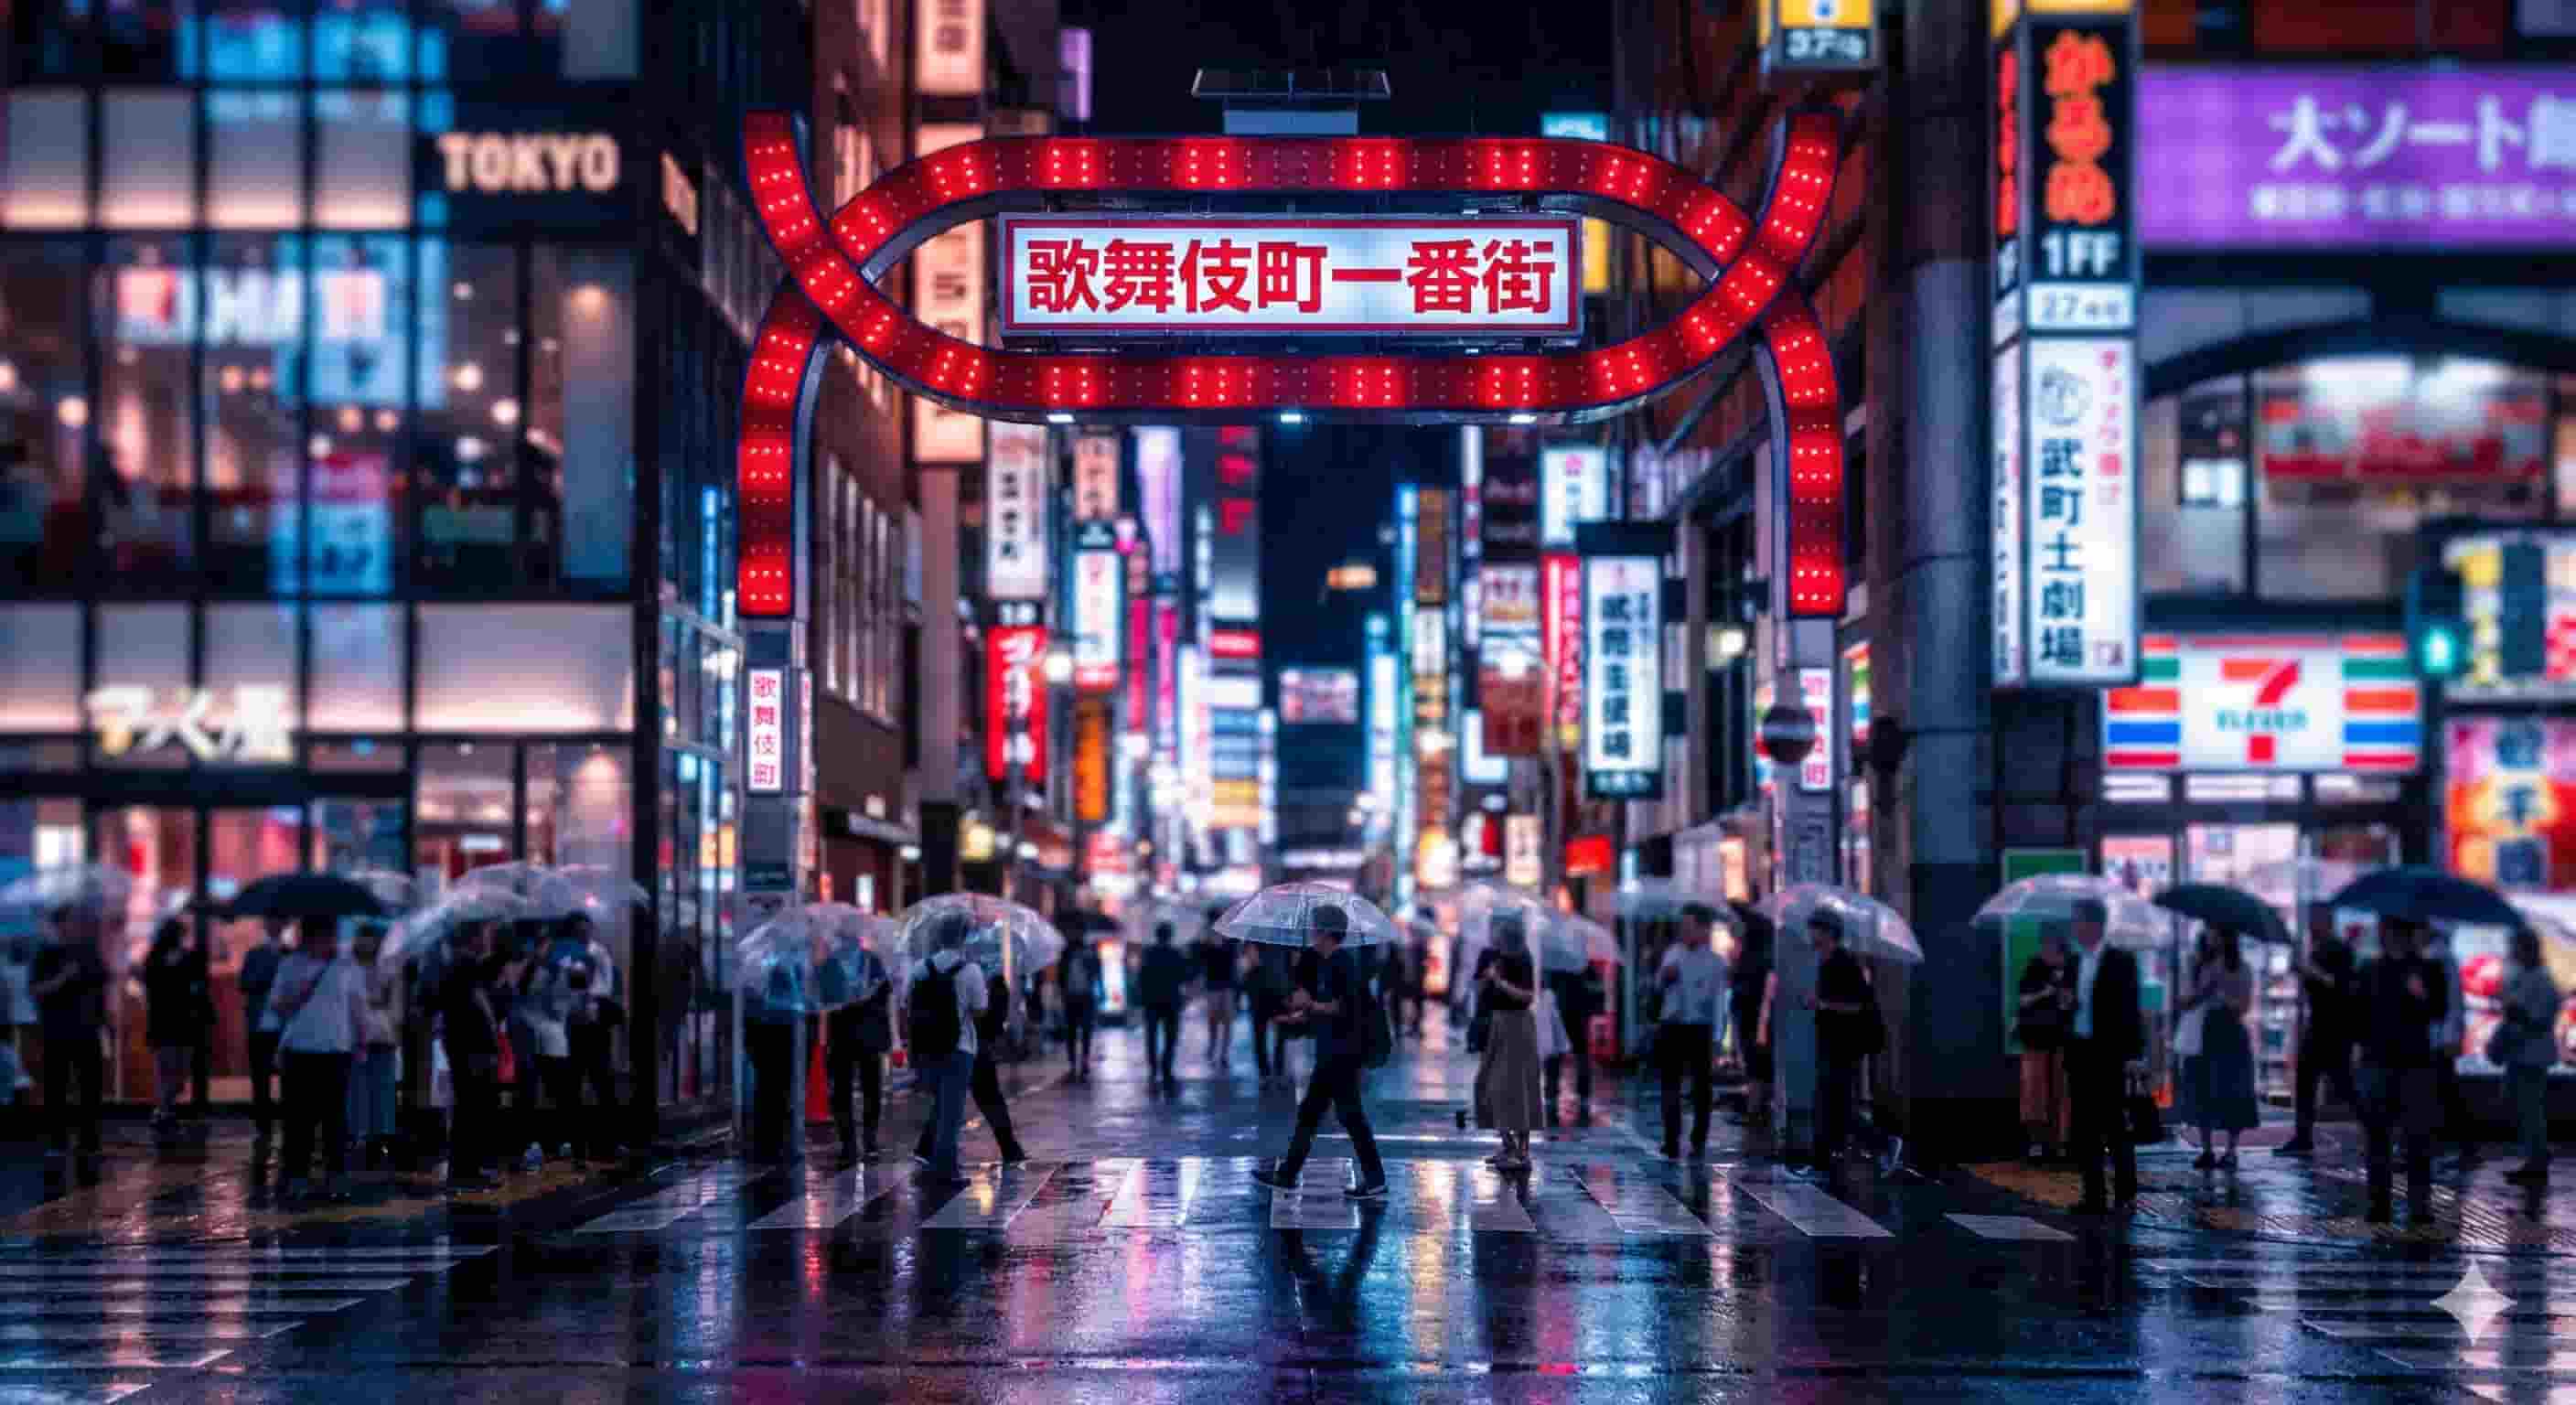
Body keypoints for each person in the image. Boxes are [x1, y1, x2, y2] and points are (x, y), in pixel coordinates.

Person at [1252, 906, 1388, 1200]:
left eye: (1315, 927)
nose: (1312, 932)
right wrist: (1300, 1015)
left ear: (1326, 932)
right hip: (1332, 1049)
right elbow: (1326, 1008)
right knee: (1315, 1113)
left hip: (1342, 1051)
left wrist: (1311, 1006)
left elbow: (1344, 1008)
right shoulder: (1326, 962)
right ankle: (1288, 1175)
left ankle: (1372, 1179)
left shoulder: (1342, 963)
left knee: (1346, 1115)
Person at [263, 916, 368, 1201]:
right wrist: (299, 993)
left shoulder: (347, 966)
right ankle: (297, 1176)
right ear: (310, 937)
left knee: (335, 1118)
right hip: (299, 1049)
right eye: (325, 935)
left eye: (332, 935)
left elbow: (358, 1006)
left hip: (336, 1050)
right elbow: (277, 1006)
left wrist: (361, 1039)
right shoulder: (290, 965)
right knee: (299, 1119)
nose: (331, 941)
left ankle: (336, 1177)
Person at [2357, 917, 2447, 1225]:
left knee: (2418, 1139)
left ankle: (2419, 1206)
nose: (2389, 937)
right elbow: (2358, 1013)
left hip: (2415, 1064)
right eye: (2387, 932)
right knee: (2377, 1138)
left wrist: (2423, 994)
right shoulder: (2370, 969)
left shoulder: (2429, 969)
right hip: (2377, 1061)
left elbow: (2440, 1011)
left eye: (2396, 932)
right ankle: (2378, 1203)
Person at [2065, 897, 2145, 1215]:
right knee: (2085, 1128)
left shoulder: (2120, 961)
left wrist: (2133, 1054)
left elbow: (2130, 1011)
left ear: (2094, 925)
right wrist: (2066, 1003)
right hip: (2081, 1051)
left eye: (2078, 920)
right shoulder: (2073, 962)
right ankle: (2093, 1195)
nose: (2073, 926)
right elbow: (2069, 1008)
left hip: (2110, 1054)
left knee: (2115, 1126)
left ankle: (2126, 1195)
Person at [914, 958, 1029, 1167]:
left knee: (947, 1098)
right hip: (973, 1045)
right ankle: (1009, 1149)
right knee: (989, 1099)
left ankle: (925, 1147)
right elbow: (989, 1015)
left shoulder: (932, 966)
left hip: (943, 1043)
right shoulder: (980, 973)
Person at [907, 913, 986, 1187]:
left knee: (940, 1105)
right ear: (963, 938)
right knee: (951, 1111)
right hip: (960, 1047)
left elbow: (907, 1006)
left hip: (927, 1048)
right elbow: (979, 1010)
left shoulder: (920, 968)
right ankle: (945, 1170)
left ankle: (931, 1158)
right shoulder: (971, 971)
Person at [2277, 913, 2361, 1158]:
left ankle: (2374, 1127)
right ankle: (2303, 1136)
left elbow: (2339, 986)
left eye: (2315, 922)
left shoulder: (2340, 950)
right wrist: (2303, 973)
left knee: (2343, 1084)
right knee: (2307, 1079)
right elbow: (2315, 986)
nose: (2312, 927)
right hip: (2319, 1025)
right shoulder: (2316, 950)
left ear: (2326, 923)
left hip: (2335, 1028)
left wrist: (2311, 972)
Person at [28, 906, 108, 1165]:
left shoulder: (88, 953)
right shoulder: (46, 955)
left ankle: (89, 1141)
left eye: (77, 922)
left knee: (90, 1089)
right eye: (71, 922)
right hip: (57, 1032)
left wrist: (103, 1020)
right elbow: (37, 990)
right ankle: (56, 1141)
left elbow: (101, 987)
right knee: (56, 1089)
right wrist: (63, 978)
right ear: (59, 925)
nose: (75, 927)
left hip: (86, 1031)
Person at [437, 925, 511, 1192]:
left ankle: (469, 1169)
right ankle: (465, 1171)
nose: (486, 941)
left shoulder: (465, 968)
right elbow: (469, 1008)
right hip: (469, 1048)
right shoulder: (463, 966)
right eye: (483, 936)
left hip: (472, 1047)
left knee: (474, 1108)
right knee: (471, 1108)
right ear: (473, 939)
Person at [2181, 927, 2259, 1169]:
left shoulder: (2241, 968)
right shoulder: (2200, 964)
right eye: (2209, 932)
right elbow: (2186, 1001)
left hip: (2231, 1033)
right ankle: (2207, 1150)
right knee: (2202, 1089)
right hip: (2204, 1031)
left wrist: (2222, 992)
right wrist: (2202, 989)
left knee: (2233, 1091)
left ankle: (2231, 1150)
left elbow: (2244, 1006)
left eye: (2216, 932)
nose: (2211, 936)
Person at [1656, 904, 1728, 1159]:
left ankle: (1698, 1139)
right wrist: (1665, 977)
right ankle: (1671, 1139)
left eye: (1690, 927)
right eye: (1682, 927)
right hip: (1672, 1026)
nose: (1684, 932)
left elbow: (1720, 1003)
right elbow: (1658, 987)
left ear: (1703, 929)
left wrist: (1719, 1038)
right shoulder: (1672, 953)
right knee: (1670, 1085)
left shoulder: (1716, 963)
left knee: (1701, 1087)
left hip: (1700, 1028)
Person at [1807, 913, 1878, 1174]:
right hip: (1829, 1041)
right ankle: (1825, 1161)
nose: (1810, 935)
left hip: (1842, 1044)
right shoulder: (1826, 963)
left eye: (1814, 930)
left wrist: (1822, 1004)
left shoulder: (1843, 963)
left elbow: (1857, 1006)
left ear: (1828, 933)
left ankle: (1881, 1142)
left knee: (1831, 1104)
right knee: (1833, 1104)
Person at [1475, 913, 1542, 1172]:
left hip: (1518, 1024)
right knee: (1489, 1085)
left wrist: (1500, 982)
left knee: (1519, 1087)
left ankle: (1522, 1150)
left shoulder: (1523, 957)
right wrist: (1486, 979)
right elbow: (1480, 988)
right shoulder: (1492, 955)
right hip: (1496, 1024)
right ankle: (1507, 1143)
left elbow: (1527, 996)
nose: (1494, 934)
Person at [2497, 926, 2563, 1187]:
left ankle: (2536, 1158)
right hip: (2523, 1053)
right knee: (2522, 1104)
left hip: (2531, 1055)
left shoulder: (2541, 978)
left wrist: (2520, 1015)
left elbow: (2541, 1016)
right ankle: (2537, 1153)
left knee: (2529, 1108)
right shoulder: (2528, 975)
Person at [825, 936, 895, 1161]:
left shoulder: (872, 961)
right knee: (841, 1091)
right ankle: (848, 1143)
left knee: (871, 1089)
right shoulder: (831, 964)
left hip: (868, 1035)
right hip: (842, 1035)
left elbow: (885, 995)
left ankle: (869, 1139)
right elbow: (823, 997)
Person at [141, 917, 209, 1137]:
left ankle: (163, 1110)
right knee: (171, 1071)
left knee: (175, 1073)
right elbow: (152, 985)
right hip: (169, 1021)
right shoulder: (156, 959)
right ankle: (164, 1111)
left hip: (177, 1021)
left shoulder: (183, 958)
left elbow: (197, 984)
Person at [2014, 922, 2075, 1162]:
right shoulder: (2034, 966)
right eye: (2044, 945)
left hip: (2063, 1037)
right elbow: (2023, 1000)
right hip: (2036, 1037)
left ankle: (2062, 1142)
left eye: (2051, 946)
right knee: (2035, 1092)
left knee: (2063, 1092)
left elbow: (2075, 1002)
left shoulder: (2073, 967)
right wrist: (2046, 992)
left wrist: (2066, 999)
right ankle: (2037, 1142)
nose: (2046, 950)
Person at [743, 949, 806, 1166]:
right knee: (779, 1090)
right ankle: (777, 1142)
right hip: (781, 1032)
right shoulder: (790, 962)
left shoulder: (754, 960)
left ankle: (765, 1143)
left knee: (766, 1089)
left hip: (761, 1031)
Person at [348, 924, 402, 1170]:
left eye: (369, 937)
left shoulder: (389, 968)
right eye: (362, 937)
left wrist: (388, 1022)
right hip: (356, 1036)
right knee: (358, 1088)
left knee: (382, 1087)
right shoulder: (348, 968)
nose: (365, 943)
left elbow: (397, 1006)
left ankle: (380, 1136)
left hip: (382, 1034)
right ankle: (359, 1134)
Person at [562, 948, 623, 1164]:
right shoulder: (591, 1000)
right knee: (599, 1097)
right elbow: (618, 1017)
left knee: (587, 1099)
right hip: (588, 1056)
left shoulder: (574, 1001)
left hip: (580, 1056)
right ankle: (599, 1147)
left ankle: (592, 1147)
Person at [2426, 926, 2478, 1168]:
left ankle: (2464, 1146)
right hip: (2439, 1037)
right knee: (2443, 1091)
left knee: (2444, 1091)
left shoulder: (2438, 958)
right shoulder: (2440, 957)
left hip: (2438, 1038)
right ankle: (2464, 1146)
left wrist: (2450, 1037)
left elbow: (2448, 1003)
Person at [239, 917, 288, 1150]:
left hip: (285, 1024)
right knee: (260, 1078)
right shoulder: (255, 953)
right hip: (260, 1022)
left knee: (289, 1077)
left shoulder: (291, 953)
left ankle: (287, 1125)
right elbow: (245, 982)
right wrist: (270, 975)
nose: (275, 925)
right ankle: (263, 1127)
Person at [1541, 955, 1597, 1128]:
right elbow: (1593, 981)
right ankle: (1584, 1095)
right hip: (1577, 1009)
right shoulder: (1579, 958)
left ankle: (1551, 1095)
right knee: (1581, 1053)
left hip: (1557, 1008)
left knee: (1554, 1054)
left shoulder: (1549, 959)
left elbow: (1542, 983)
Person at [1727, 930, 1774, 1128]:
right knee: (1758, 1064)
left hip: (1753, 1019)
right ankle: (1758, 1108)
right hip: (1757, 1018)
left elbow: (1741, 988)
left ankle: (1756, 1110)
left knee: (1756, 1065)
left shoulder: (1752, 960)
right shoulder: (1765, 956)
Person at [1135, 923, 1191, 1086]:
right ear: (1170, 936)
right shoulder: (1176, 953)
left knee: (1151, 1036)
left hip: (1151, 1001)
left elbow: (1142, 977)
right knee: (1170, 1037)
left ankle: (1153, 1068)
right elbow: (1184, 976)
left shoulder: (1148, 953)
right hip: (1171, 1001)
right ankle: (1166, 1067)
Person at [1057, 938, 1100, 1079]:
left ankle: (1084, 1062)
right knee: (1071, 1031)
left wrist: (1089, 958)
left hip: (1085, 996)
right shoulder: (1065, 956)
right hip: (1071, 997)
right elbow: (1061, 976)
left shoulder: (1089, 955)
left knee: (1086, 1030)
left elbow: (1096, 972)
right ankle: (1072, 1064)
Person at [1197, 927, 1238, 1071]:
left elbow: (1234, 958)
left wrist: (1223, 945)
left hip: (1227, 985)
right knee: (1213, 1019)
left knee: (1227, 1021)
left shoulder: (1231, 940)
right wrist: (1207, 945)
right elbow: (1201, 959)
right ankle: (1213, 1046)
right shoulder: (1206, 941)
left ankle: (1224, 1053)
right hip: (1213, 985)